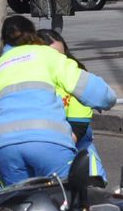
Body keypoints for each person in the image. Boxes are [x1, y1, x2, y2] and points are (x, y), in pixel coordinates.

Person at [0, 16, 117, 186]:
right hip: (47, 142)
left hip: (4, 148)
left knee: (19, 204)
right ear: (34, 35)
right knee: (70, 195)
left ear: (4, 40)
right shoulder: (46, 54)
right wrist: (109, 100)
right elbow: (93, 90)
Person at [41, 29, 105, 181]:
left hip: (73, 142)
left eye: (62, 57)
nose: (60, 62)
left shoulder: (75, 75)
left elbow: (79, 124)